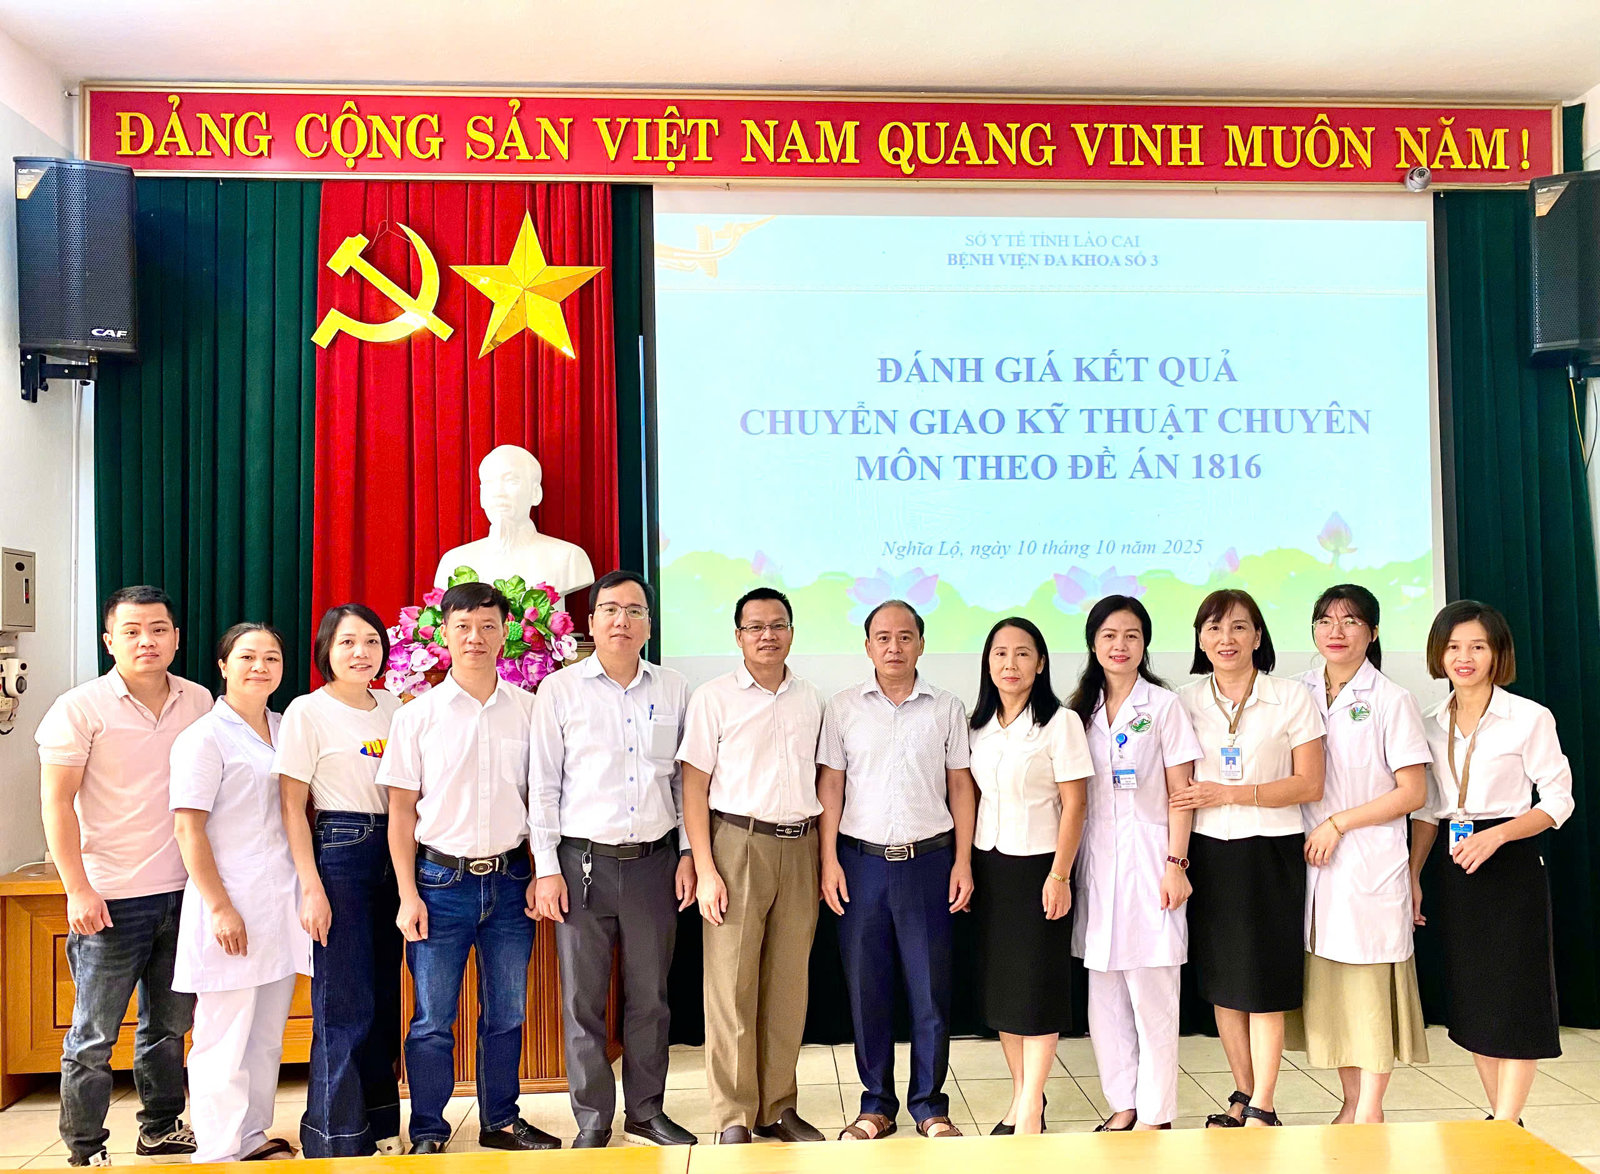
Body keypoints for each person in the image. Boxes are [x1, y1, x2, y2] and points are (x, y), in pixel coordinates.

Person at [377, 582, 557, 1155]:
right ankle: (429, 1130)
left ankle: (500, 1121)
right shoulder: (417, 716)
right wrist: (407, 894)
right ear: (444, 634)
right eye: (463, 626)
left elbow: (542, 799)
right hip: (439, 884)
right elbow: (400, 813)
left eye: (487, 626)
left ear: (505, 632)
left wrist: (540, 871)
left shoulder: (530, 711)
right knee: (432, 1018)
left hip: (510, 882)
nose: (475, 637)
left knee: (507, 1013)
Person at [36, 586, 211, 1168]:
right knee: (93, 1036)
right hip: (110, 898)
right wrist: (78, 889)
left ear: (176, 638)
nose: (146, 641)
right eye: (132, 631)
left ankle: (160, 1127)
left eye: (158, 630)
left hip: (183, 892)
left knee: (169, 1027)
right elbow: (56, 803)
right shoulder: (78, 708)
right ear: (109, 640)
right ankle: (84, 1147)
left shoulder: (198, 700)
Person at [529, 570, 697, 1149]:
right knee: (583, 1001)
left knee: (650, 997)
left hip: (653, 862)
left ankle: (646, 1111)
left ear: (648, 624)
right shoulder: (559, 691)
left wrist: (688, 853)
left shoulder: (674, 688)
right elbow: (543, 785)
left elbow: (682, 782)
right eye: (609, 609)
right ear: (591, 622)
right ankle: (592, 1119)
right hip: (581, 864)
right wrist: (546, 867)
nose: (621, 620)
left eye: (634, 610)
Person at [818, 599, 976, 1142]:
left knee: (931, 992)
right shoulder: (843, 708)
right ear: (867, 646)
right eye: (882, 637)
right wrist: (828, 860)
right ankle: (876, 1105)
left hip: (929, 862)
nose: (894, 647)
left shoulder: (946, 707)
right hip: (860, 864)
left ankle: (930, 1105)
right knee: (868, 992)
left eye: (905, 637)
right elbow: (831, 786)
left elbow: (961, 786)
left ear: (921, 644)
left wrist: (963, 860)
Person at [1412, 600, 1572, 1124]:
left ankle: (1505, 1123)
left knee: (1516, 995)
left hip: (1511, 862)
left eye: (1477, 647)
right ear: (1439, 654)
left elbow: (1558, 800)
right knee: (1475, 998)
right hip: (1454, 864)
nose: (1464, 658)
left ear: (1497, 653)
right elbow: (1428, 811)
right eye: (1454, 647)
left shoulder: (1529, 717)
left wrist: (1498, 836)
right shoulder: (1429, 722)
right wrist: (1413, 876)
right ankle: (1502, 1118)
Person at [1172, 589, 1324, 1129]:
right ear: (1200, 640)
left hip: (1269, 852)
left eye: (1239, 627)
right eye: (1213, 629)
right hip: (1210, 851)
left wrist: (1231, 793)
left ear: (1258, 636)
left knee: (1263, 982)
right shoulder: (1184, 701)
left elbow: (1310, 783)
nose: (1226, 639)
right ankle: (1242, 1092)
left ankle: (1265, 1101)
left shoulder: (1290, 697)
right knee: (1224, 982)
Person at [680, 588, 826, 1146]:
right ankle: (734, 1116)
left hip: (801, 845)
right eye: (756, 626)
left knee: (789, 986)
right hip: (737, 845)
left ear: (792, 632)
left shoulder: (810, 698)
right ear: (738, 636)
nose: (768, 635)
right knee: (731, 986)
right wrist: (706, 867)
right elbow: (694, 787)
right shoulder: (714, 698)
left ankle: (778, 1107)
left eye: (778, 625)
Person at [1285, 585, 1431, 1123]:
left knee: (1369, 994)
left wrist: (1339, 823)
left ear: (1372, 632)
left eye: (1350, 622)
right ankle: (1350, 1103)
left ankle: (1369, 1110)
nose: (1336, 632)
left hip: (1367, 858)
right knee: (1334, 997)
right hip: (1313, 862)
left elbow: (1412, 792)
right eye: (1325, 621)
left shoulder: (1392, 699)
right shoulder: (1296, 692)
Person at [169, 623, 311, 1162]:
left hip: (280, 900)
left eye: (271, 657)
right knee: (223, 1033)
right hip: (229, 900)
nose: (260, 667)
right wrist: (221, 907)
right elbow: (188, 828)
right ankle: (218, 1148)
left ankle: (252, 1135)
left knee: (267, 1034)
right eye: (247, 656)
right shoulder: (204, 738)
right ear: (223, 665)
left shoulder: (285, 726)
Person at [1067, 596, 1202, 1132]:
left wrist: (1176, 863)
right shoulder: (1079, 711)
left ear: (1145, 644)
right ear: (1093, 643)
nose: (1119, 645)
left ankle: (1156, 1113)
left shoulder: (1164, 706)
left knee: (1153, 997)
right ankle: (1122, 1103)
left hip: (1152, 861)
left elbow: (1182, 793)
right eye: (1109, 635)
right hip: (1097, 863)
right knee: (1104, 997)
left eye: (1131, 635)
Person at [274, 604, 404, 1156]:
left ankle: (379, 1124)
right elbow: (291, 806)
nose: (361, 652)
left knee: (384, 998)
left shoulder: (394, 706)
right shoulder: (307, 711)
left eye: (371, 641)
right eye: (347, 641)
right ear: (326, 649)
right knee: (343, 999)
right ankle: (336, 1137)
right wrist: (311, 886)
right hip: (341, 849)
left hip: (397, 851)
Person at [969, 617, 1090, 1136]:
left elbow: (1075, 804)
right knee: (1004, 993)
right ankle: (1024, 1098)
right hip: (991, 866)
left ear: (1040, 663)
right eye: (1000, 653)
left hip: (1042, 867)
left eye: (1022, 653)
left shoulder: (1061, 723)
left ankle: (1031, 1111)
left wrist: (1060, 875)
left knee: (1037, 990)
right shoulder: (978, 725)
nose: (1010, 664)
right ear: (988, 662)